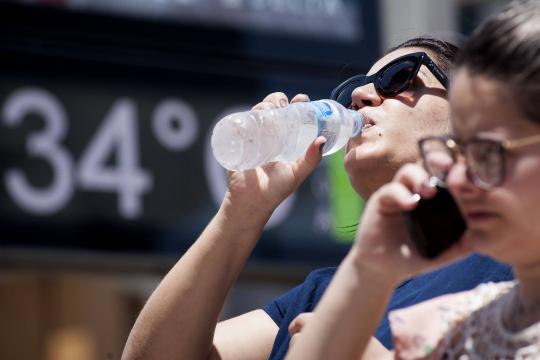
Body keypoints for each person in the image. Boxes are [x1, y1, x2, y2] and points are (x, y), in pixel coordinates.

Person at [122, 36, 513, 360]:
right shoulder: (322, 296)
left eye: (399, 77)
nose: (360, 94)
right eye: (349, 92)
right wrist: (240, 214)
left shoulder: (520, 257)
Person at [285, 0, 540, 358]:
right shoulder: (452, 325)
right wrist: (367, 270)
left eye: (485, 150)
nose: (461, 173)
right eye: (456, 146)